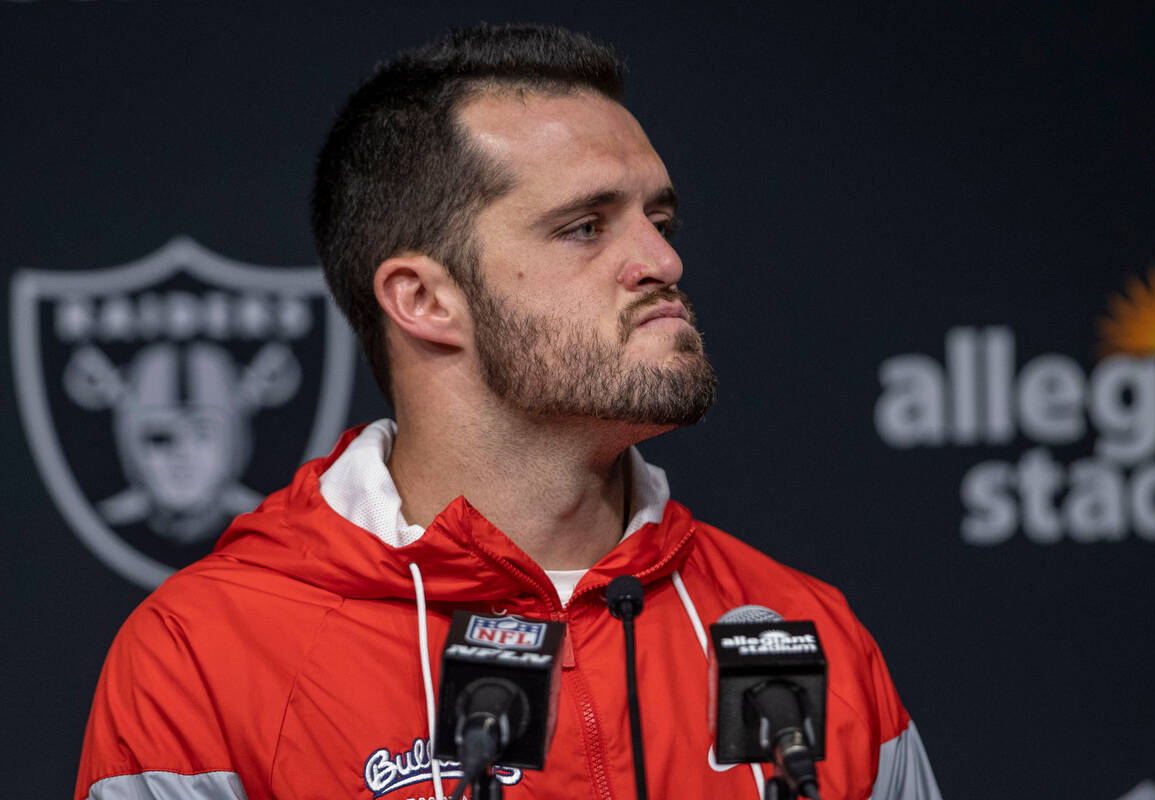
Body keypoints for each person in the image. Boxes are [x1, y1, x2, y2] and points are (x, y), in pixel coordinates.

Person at [76, 24, 942, 800]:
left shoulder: (804, 631)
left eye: (660, 219)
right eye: (585, 227)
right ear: (423, 299)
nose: (662, 261)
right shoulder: (206, 658)